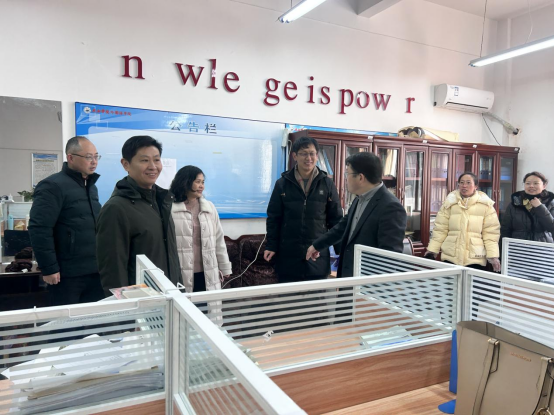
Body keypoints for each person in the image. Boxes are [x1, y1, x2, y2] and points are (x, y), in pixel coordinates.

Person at [96, 136, 181, 296]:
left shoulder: (161, 201)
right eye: (144, 160)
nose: (153, 167)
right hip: (141, 302)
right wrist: (125, 307)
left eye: (157, 160)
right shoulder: (116, 208)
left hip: (168, 295)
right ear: (126, 164)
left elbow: (171, 255)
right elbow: (113, 269)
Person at [29, 136, 104, 306]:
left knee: (94, 319)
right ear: (70, 157)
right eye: (88, 157)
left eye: (96, 156)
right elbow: (40, 228)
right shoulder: (52, 186)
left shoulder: (91, 186)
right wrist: (49, 268)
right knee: (66, 321)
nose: (94, 162)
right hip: (67, 274)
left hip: (94, 270)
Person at [306, 152, 407, 278]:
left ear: (360, 177)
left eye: (347, 174)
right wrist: (317, 245)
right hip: (348, 276)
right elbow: (342, 228)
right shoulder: (359, 199)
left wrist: (371, 288)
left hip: (366, 282)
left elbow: (389, 258)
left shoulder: (391, 207)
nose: (346, 179)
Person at [265, 137, 343, 283]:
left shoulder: (327, 183)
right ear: (295, 156)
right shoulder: (282, 184)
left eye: (312, 153)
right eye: (304, 154)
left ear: (317, 155)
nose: (309, 158)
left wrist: (340, 249)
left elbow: (336, 220)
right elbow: (274, 218)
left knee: (317, 294)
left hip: (318, 253)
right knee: (288, 293)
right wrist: (271, 245)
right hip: (288, 253)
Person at [170, 166, 232, 293]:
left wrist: (225, 267)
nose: (201, 186)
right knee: (183, 305)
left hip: (208, 272)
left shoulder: (209, 207)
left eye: (203, 182)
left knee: (207, 304)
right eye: (197, 182)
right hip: (180, 272)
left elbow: (219, 240)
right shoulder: (170, 209)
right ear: (185, 182)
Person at [426, 173, 501, 271]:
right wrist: (432, 250)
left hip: (474, 258)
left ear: (476, 186)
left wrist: (493, 256)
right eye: (461, 183)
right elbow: (440, 230)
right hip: (451, 256)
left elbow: (491, 234)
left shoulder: (486, 206)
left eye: (468, 183)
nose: (464, 186)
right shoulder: (449, 204)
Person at [501, 172, 554, 244]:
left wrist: (540, 207)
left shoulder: (550, 203)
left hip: (542, 247)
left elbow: (551, 227)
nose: (531, 186)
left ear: (544, 185)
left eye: (536, 183)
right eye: (528, 183)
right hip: (517, 246)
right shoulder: (515, 203)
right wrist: (502, 247)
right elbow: (505, 229)